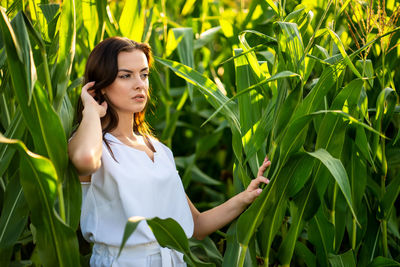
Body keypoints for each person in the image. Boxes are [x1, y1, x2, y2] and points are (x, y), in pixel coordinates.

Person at [68, 36, 271, 267]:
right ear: (100, 86)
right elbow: (85, 160)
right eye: (126, 75)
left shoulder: (160, 151)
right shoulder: (94, 146)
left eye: (144, 74)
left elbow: (196, 225)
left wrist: (246, 196)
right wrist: (92, 111)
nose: (139, 84)